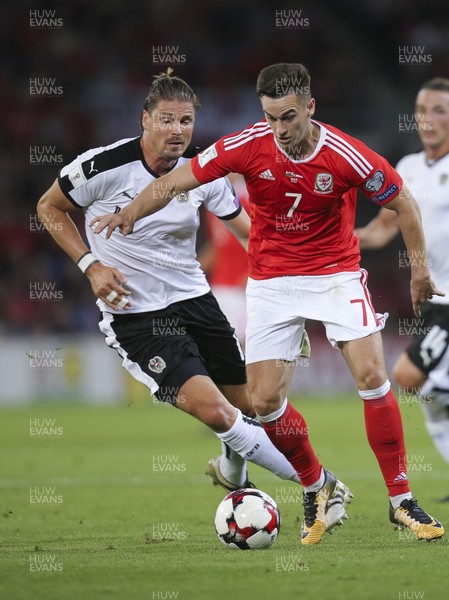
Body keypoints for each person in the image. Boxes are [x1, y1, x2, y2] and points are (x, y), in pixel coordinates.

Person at [91, 63, 445, 543]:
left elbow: (403, 202)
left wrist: (419, 269)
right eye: (271, 117)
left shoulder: (344, 154)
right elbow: (178, 181)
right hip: (272, 279)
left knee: (372, 375)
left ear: (310, 108)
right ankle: (317, 485)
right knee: (262, 401)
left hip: (334, 273)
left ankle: (402, 500)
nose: (279, 129)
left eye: (289, 117)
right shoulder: (246, 144)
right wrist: (130, 211)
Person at [36, 70, 351, 537]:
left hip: (197, 302)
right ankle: (322, 484)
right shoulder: (103, 166)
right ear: (145, 119)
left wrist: (293, 290)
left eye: (185, 121)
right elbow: (49, 207)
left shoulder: (202, 173)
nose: (177, 131)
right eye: (166, 120)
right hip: (136, 315)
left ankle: (233, 473)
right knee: (219, 412)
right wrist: (90, 266)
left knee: (253, 406)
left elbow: (251, 237)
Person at [355, 77, 449, 501]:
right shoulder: (407, 168)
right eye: (422, 110)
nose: (428, 119)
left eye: (439, 111)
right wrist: (336, 241)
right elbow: (382, 229)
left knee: (407, 376)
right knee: (432, 397)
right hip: (432, 301)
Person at [198, 174, 249, 345]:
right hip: (218, 288)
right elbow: (216, 247)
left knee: (244, 347)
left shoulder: (251, 201)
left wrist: (252, 276)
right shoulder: (214, 205)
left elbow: (266, 243)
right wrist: (189, 271)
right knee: (217, 347)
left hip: (241, 291)